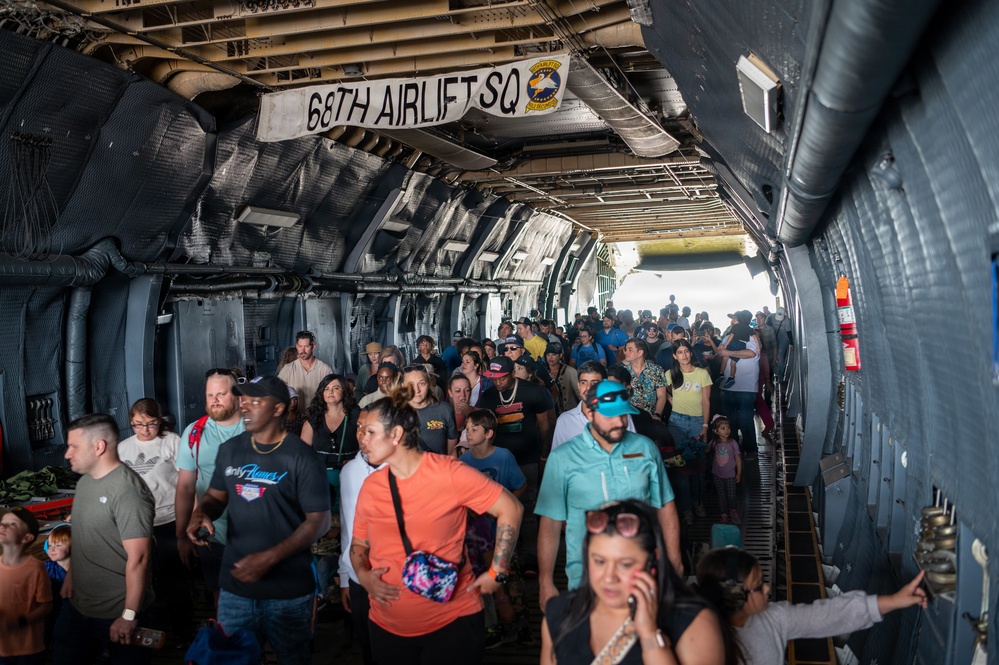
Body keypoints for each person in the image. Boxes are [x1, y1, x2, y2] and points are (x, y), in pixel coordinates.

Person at [350, 384, 524, 664]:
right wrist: (364, 574)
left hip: (452, 622)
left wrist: (498, 570)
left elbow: (511, 508)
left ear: (395, 434)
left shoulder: (449, 473)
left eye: (369, 432)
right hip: (386, 626)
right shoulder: (371, 487)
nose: (362, 439)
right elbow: (359, 544)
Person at [187, 376, 330, 665]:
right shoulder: (231, 450)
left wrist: (270, 557)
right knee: (231, 659)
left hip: (287, 592)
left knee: (293, 659)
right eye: (243, 401)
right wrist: (201, 513)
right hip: (236, 589)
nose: (246, 407)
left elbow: (319, 522)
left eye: (255, 401)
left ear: (278, 409)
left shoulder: (302, 456)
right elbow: (215, 497)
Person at [536, 381, 683, 613]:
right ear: (589, 412)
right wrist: (545, 581)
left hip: (643, 572)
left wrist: (674, 562)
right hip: (586, 576)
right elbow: (551, 522)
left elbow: (665, 505)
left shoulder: (645, 449)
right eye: (611, 416)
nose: (620, 422)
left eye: (624, 415)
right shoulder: (563, 458)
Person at [540, 500, 727, 665]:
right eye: (599, 561)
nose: (609, 577)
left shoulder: (695, 623)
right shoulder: (559, 614)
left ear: (653, 561)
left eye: (625, 564)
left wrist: (650, 637)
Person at [695, 548, 927, 665]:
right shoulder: (701, 645)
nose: (767, 589)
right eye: (758, 586)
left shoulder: (772, 619)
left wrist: (895, 600)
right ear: (735, 597)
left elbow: (828, 615)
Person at [56, 413, 155, 665]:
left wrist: (129, 615)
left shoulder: (128, 491)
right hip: (78, 606)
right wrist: (70, 576)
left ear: (98, 446)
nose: (67, 454)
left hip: (115, 613)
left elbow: (139, 558)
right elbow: (83, 535)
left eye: (73, 446)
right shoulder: (85, 483)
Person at [118, 398, 192, 641]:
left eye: (151, 424)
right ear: (131, 422)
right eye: (138, 425)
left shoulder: (172, 442)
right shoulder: (123, 448)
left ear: (160, 421)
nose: (146, 430)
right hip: (138, 524)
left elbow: (188, 481)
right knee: (141, 578)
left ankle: (184, 633)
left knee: (176, 580)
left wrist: (186, 526)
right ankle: (144, 628)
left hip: (169, 519)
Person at [459, 409, 529, 648]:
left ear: (489, 433)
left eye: (474, 429)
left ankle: (521, 628)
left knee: (510, 578)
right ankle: (493, 627)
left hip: (501, 532)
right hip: (476, 536)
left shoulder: (503, 457)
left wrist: (505, 510)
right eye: (467, 428)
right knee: (483, 580)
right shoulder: (462, 462)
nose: (468, 433)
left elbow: (521, 485)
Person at [175, 369, 245, 604]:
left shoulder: (257, 429)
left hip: (255, 535)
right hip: (213, 534)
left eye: (221, 394)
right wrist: (182, 535)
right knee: (221, 599)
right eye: (209, 395)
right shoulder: (194, 433)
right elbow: (185, 487)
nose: (214, 400)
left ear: (237, 396)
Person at [477, 356, 553, 571]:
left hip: (528, 456)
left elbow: (545, 426)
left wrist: (543, 456)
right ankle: (507, 556)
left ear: (511, 373)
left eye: (501, 378)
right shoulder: (489, 395)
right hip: (499, 459)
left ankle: (530, 556)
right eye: (494, 378)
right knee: (500, 505)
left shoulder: (532, 391)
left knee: (527, 506)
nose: (497, 383)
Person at [0, 507, 52, 665]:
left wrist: (19, 622)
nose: (3, 527)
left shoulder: (35, 568)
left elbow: (46, 606)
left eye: (12, 524)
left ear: (27, 538)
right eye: (3, 523)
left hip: (27, 648)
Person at [550, 362, 636, 453]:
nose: (588, 388)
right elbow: (559, 459)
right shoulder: (564, 420)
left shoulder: (620, 416)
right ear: (578, 386)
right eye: (584, 382)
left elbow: (632, 453)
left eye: (594, 383)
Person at [301, 374, 360, 497]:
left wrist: (356, 461)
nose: (330, 392)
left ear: (344, 390)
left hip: (351, 476)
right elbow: (303, 453)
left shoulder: (356, 416)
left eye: (336, 388)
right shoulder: (313, 417)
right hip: (320, 478)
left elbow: (366, 448)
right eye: (326, 388)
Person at [712, 314, 761, 461]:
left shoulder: (751, 337)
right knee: (730, 421)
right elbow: (720, 352)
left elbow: (751, 353)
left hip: (746, 386)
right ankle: (733, 448)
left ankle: (751, 449)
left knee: (746, 419)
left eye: (734, 319)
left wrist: (729, 353)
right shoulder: (728, 336)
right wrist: (721, 351)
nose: (732, 321)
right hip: (728, 386)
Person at [402, 364, 458, 455]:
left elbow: (452, 454)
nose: (416, 390)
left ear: (429, 384)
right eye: (410, 385)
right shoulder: (395, 414)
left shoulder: (444, 410)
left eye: (421, 383)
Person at [277, 330, 334, 411]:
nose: (303, 350)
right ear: (296, 346)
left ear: (313, 346)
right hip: (296, 418)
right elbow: (278, 392)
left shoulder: (325, 370)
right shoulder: (288, 369)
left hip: (318, 417)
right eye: (300, 346)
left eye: (306, 346)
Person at [707, 416, 742, 524]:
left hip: (730, 475)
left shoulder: (733, 443)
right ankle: (723, 515)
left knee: (731, 495)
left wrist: (739, 473)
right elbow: (706, 450)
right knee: (721, 496)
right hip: (717, 475)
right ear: (716, 431)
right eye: (723, 428)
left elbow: (738, 458)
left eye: (728, 428)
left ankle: (733, 510)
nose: (727, 430)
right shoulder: (713, 443)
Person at [623, 338, 668, 419]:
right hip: (629, 417)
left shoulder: (656, 370)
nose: (626, 352)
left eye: (630, 350)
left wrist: (657, 415)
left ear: (640, 352)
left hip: (650, 417)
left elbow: (662, 396)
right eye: (626, 350)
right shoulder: (623, 371)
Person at [544, 342, 580, 415]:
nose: (550, 357)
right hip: (550, 415)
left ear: (560, 355)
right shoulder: (543, 372)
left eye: (553, 355)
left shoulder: (570, 371)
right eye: (548, 355)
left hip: (569, 413)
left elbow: (579, 393)